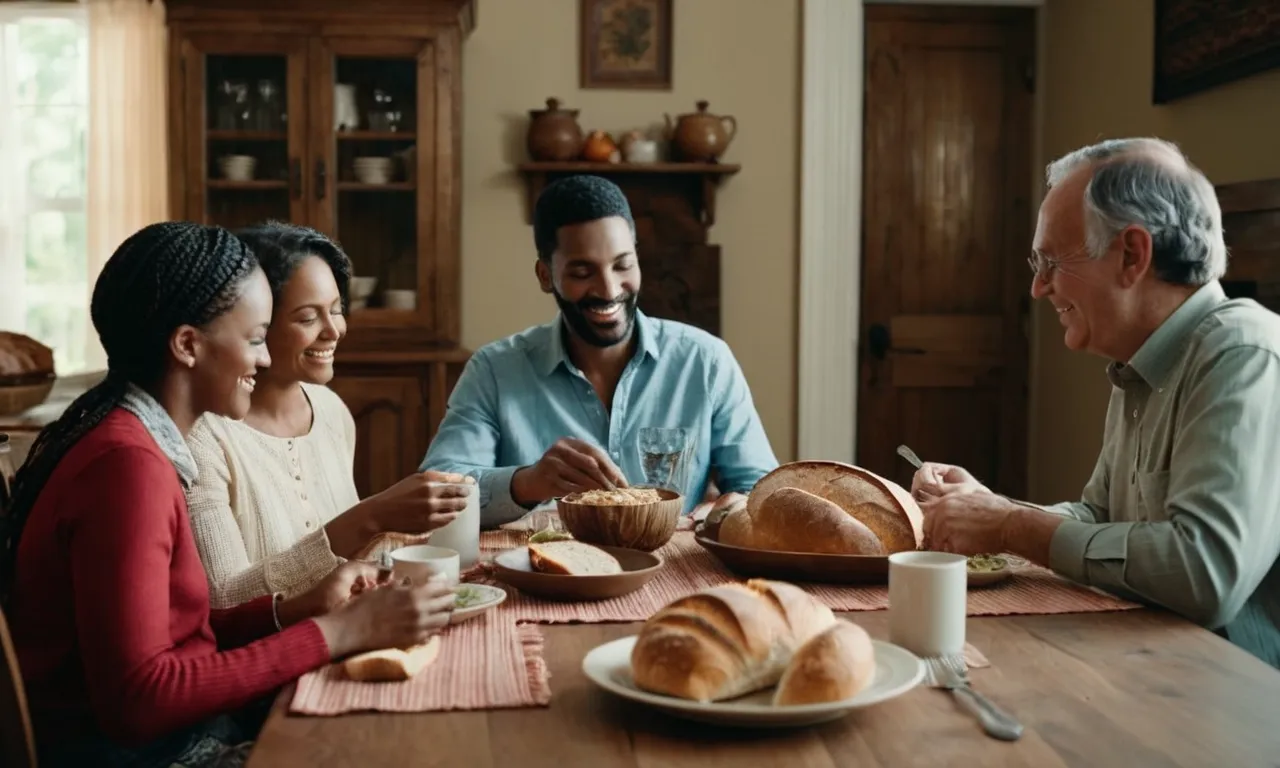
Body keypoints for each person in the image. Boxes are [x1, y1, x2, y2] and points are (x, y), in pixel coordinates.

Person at [1, 222, 457, 767]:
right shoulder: (127, 468)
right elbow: (140, 701)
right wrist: (334, 633)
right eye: (257, 338)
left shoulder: (131, 439)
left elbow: (181, 634)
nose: (265, 361)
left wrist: (295, 610)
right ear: (188, 345)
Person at [911, 138, 1280, 668]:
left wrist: (1011, 525)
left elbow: (1205, 574)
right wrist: (990, 510)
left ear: (1132, 254)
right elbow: (1098, 517)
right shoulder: (1139, 363)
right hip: (1152, 662)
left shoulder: (1243, 352)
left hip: (1235, 697)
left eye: (1051, 261)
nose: (1038, 288)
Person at [422, 175, 778, 528]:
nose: (609, 289)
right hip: (542, 574)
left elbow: (762, 493)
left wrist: (713, 513)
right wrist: (527, 482)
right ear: (546, 276)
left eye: (623, 265)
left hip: (676, 572)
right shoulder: (493, 370)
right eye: (582, 271)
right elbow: (439, 488)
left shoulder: (706, 361)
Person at [184, 221, 472, 609]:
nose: (334, 330)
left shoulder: (331, 410)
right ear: (254, 324)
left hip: (353, 630)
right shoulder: (204, 438)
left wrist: (402, 523)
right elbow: (226, 600)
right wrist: (373, 515)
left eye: (336, 310)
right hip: (282, 655)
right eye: (307, 318)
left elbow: (353, 563)